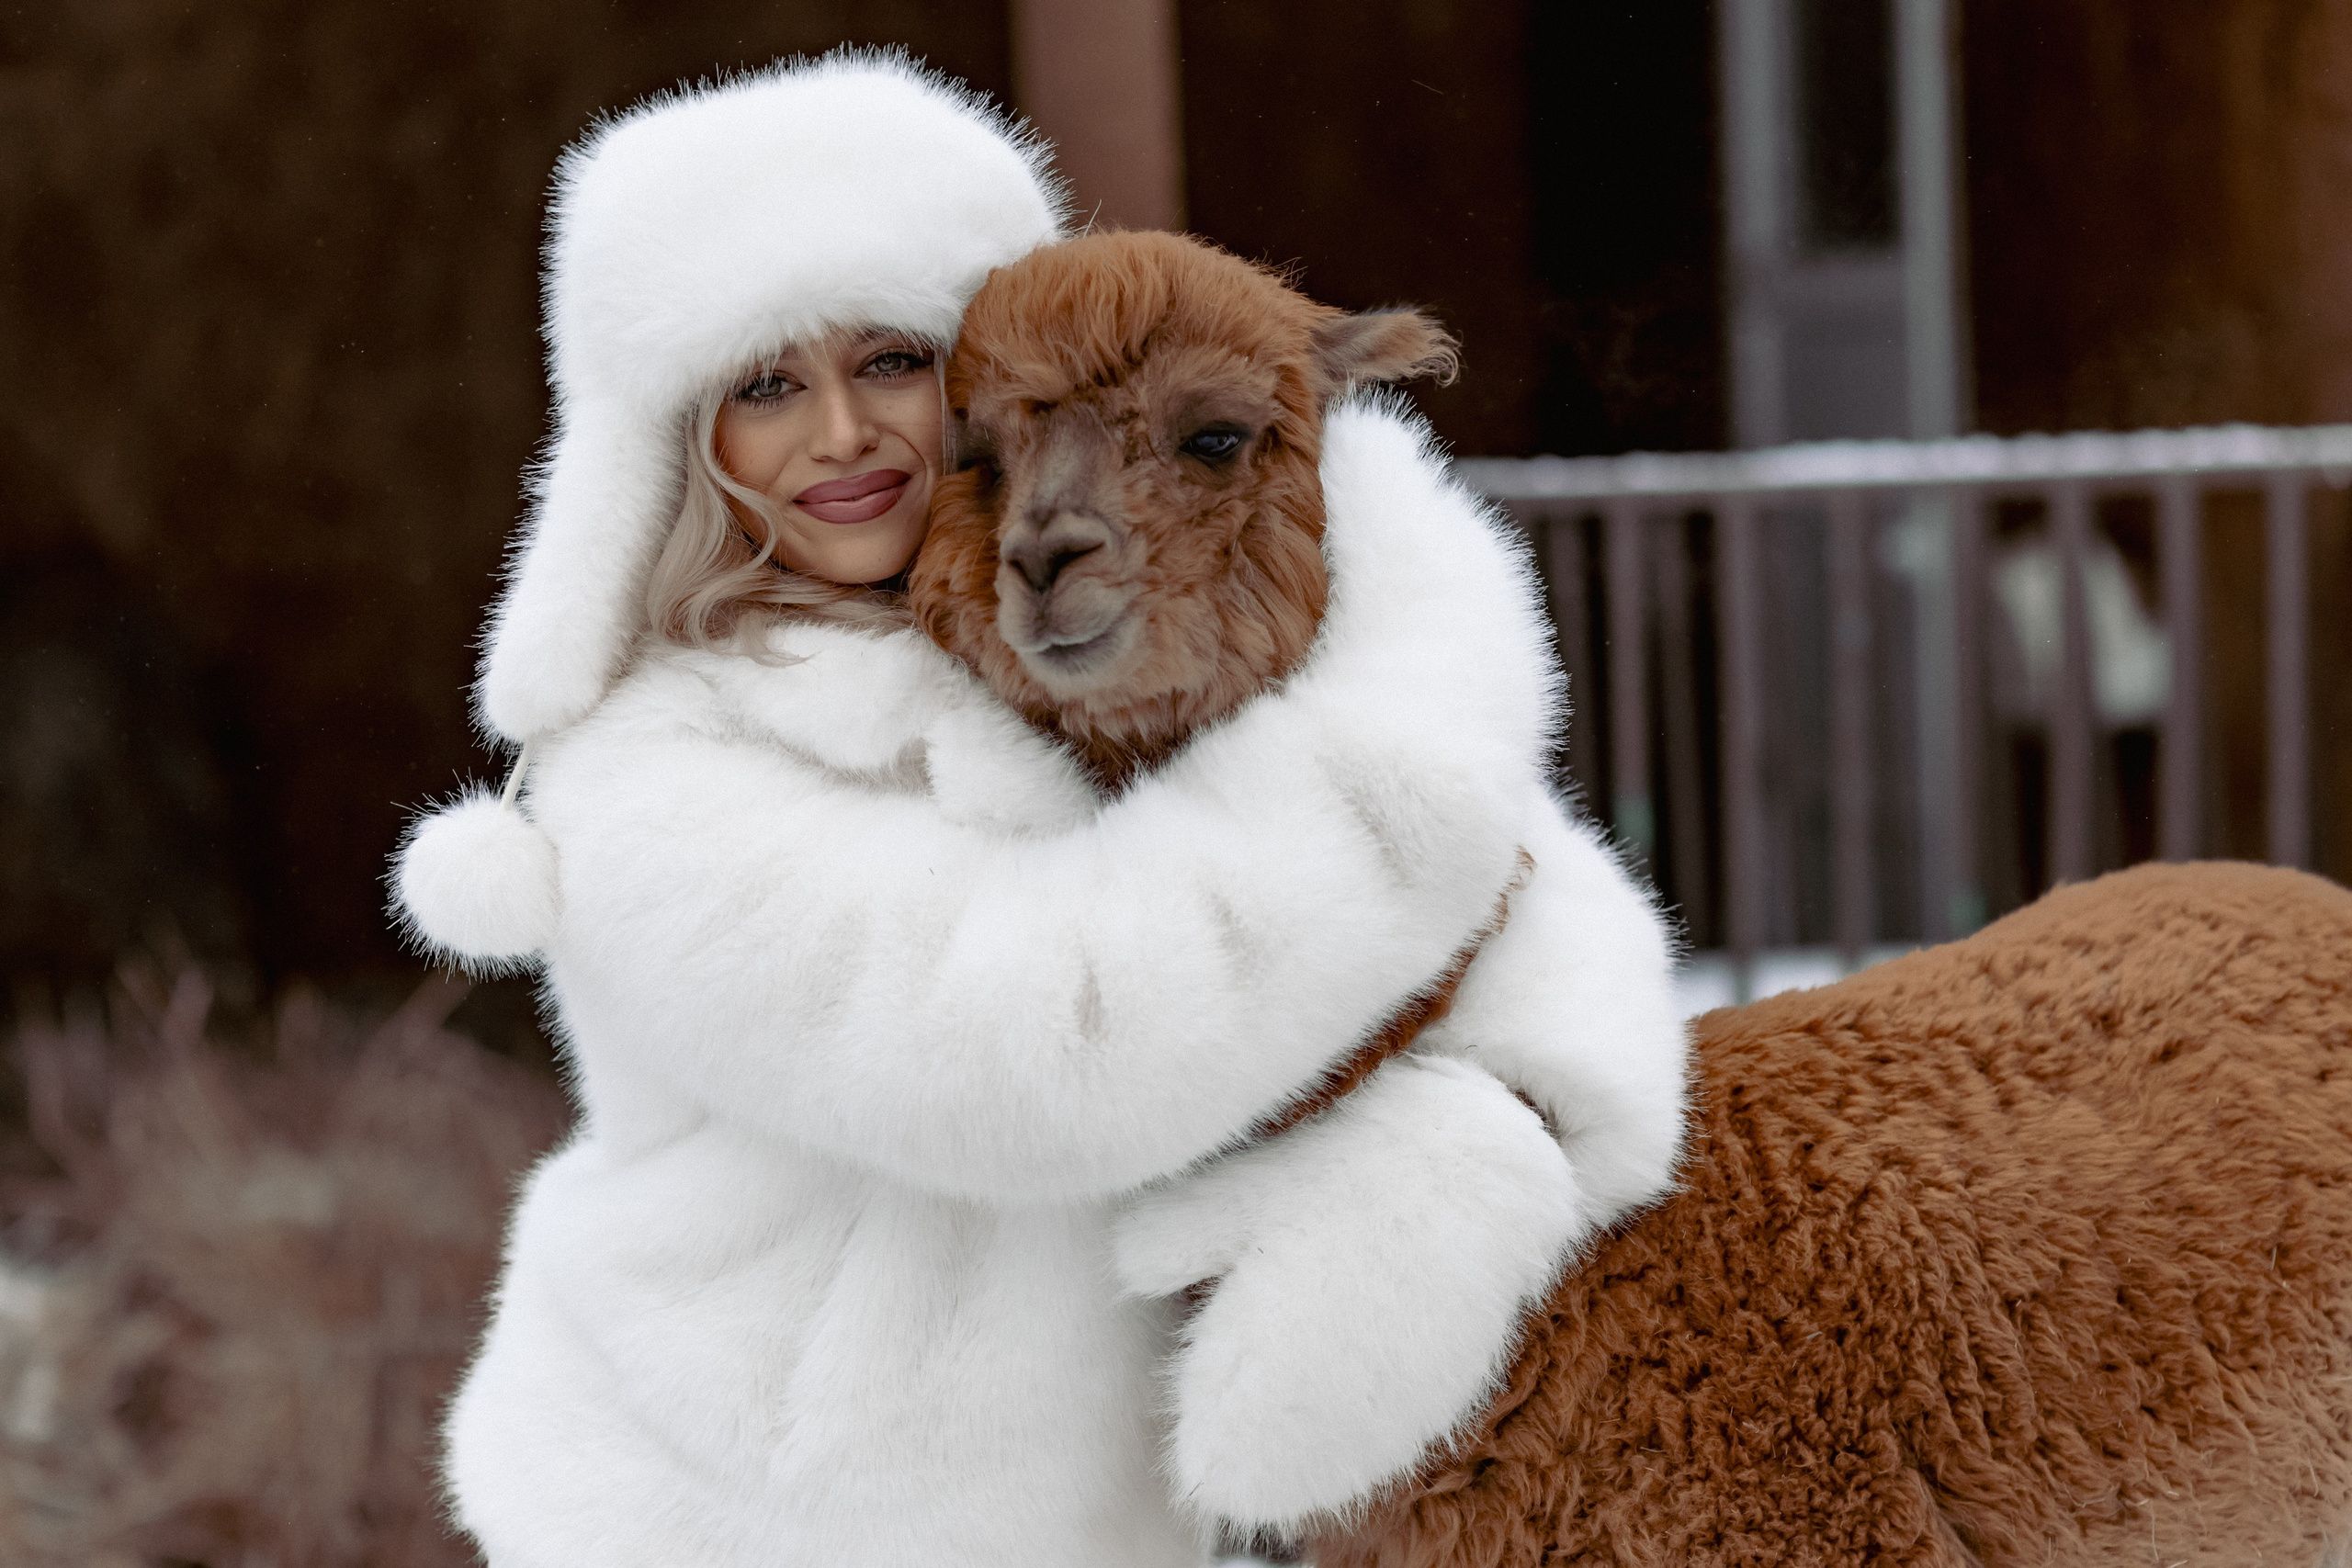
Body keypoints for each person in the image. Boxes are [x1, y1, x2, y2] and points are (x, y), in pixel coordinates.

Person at [394, 51, 1685, 1566]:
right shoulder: (655, 776)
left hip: (1093, 1516)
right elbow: (1050, 1049)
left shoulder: (1037, 652)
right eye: (765, 387)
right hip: (769, 1505)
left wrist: (1508, 1120)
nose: (844, 436)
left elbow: (1534, 900)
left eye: (888, 361)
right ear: (680, 445)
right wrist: (1410, 723)